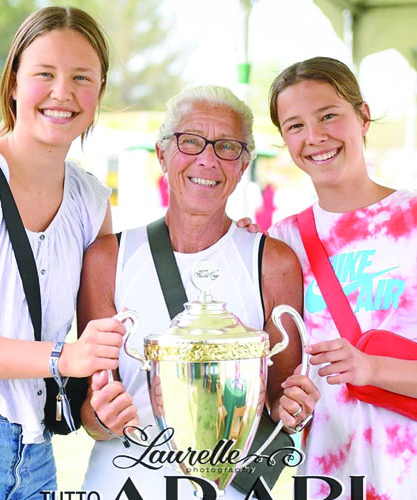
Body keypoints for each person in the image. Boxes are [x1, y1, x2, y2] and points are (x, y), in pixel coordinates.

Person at [0, 6, 126, 498]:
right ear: (13, 82)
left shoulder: (92, 201)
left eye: (81, 77)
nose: (63, 92)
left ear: (99, 91)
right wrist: (63, 356)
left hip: (34, 455)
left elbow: (99, 346)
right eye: (44, 74)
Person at [78, 85, 320, 498]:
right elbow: (90, 411)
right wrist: (102, 416)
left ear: (243, 165)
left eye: (227, 147)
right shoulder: (107, 259)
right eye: (190, 141)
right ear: (162, 154)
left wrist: (293, 409)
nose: (207, 159)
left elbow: (281, 402)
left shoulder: (273, 263)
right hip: (124, 485)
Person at [267, 56, 417, 499]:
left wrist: (371, 368)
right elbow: (277, 375)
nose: (315, 136)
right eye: (295, 126)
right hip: (329, 476)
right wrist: (285, 404)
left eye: (328, 115)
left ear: (363, 117)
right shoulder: (281, 243)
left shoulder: (412, 220)